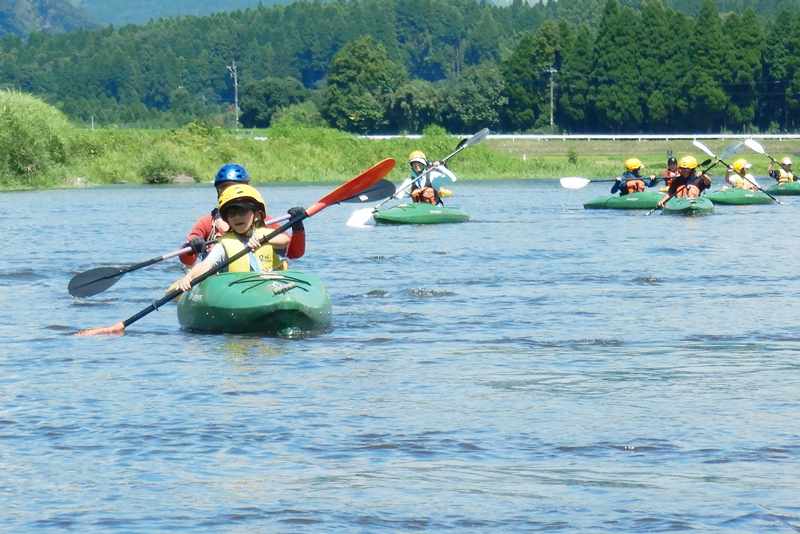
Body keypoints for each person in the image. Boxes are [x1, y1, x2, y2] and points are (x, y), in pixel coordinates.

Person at [179, 164, 305, 266]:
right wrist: (190, 247)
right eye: (224, 189)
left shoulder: (264, 221)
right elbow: (187, 260)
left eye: (236, 187)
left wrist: (297, 227)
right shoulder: (206, 223)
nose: (231, 194)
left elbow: (295, 252)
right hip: (222, 282)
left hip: (263, 279)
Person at [175, 185, 292, 292]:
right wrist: (189, 277)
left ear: (256, 215)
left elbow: (284, 241)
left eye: (242, 212)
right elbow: (207, 264)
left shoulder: (268, 234)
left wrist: (265, 239)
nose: (237, 217)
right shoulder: (223, 244)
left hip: (271, 286)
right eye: (231, 214)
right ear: (226, 219)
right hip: (238, 290)